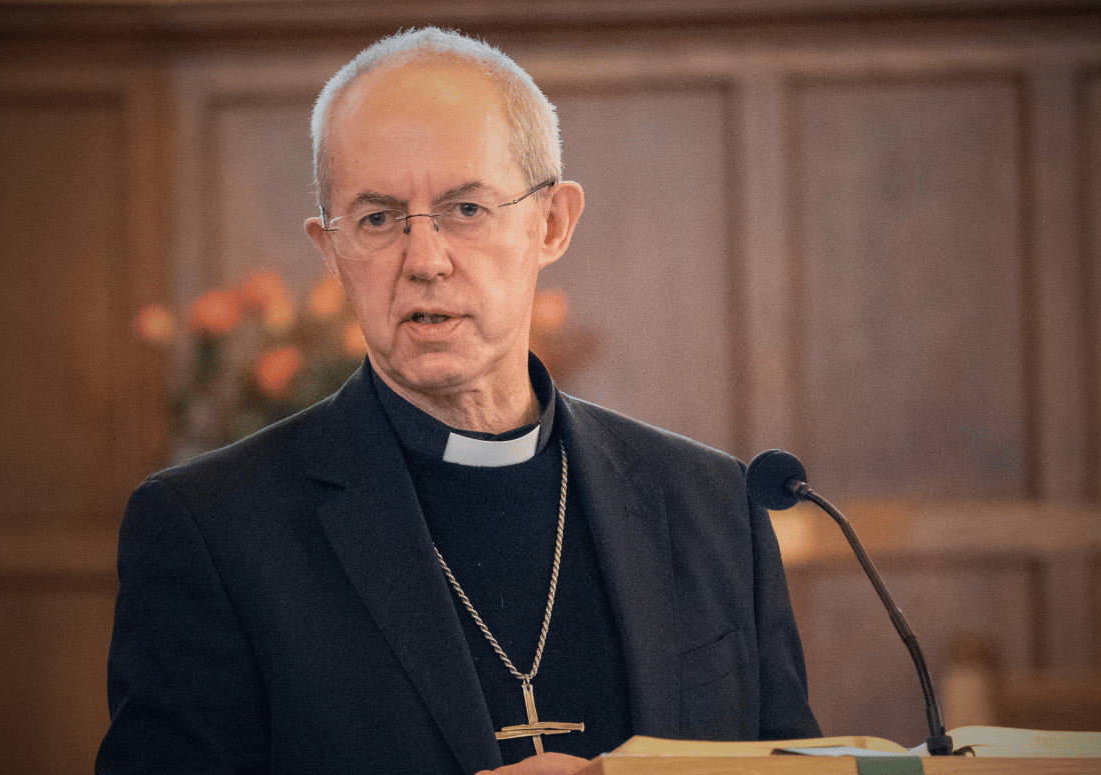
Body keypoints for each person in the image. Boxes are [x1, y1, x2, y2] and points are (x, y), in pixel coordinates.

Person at [97, 27, 818, 775]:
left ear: (551, 223)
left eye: (465, 209)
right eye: (377, 220)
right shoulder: (212, 531)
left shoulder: (712, 506)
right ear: (331, 252)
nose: (425, 259)